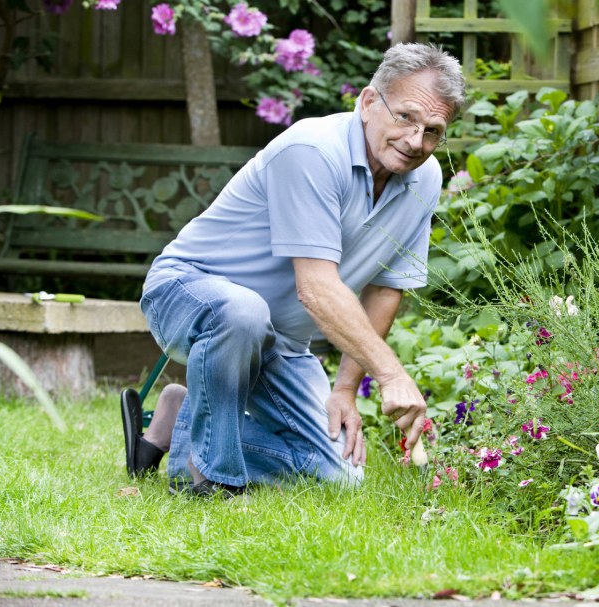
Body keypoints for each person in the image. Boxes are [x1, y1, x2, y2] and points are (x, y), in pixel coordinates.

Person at [121, 43, 466, 496]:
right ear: (368, 102)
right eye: (405, 117)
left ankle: (181, 421)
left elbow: (385, 288)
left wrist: (345, 389)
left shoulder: (426, 177)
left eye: (433, 131)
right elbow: (316, 288)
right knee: (243, 311)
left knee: (340, 476)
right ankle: (210, 479)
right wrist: (391, 375)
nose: (415, 141)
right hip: (187, 292)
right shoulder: (313, 150)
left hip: (280, 340)